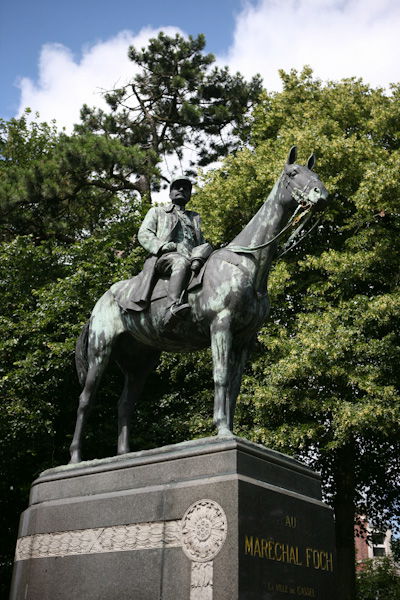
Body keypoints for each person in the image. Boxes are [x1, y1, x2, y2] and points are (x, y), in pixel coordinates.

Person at [137, 176, 211, 327]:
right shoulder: (157, 212)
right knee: (181, 262)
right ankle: (171, 308)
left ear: (190, 195)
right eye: (178, 187)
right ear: (170, 194)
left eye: (186, 188)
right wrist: (161, 246)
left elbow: (201, 243)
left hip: (193, 259)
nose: (182, 190)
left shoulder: (195, 218)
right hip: (166, 258)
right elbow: (144, 233)